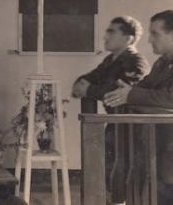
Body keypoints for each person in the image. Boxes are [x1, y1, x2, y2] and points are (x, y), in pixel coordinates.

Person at [72, 16, 150, 204]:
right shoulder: (110, 60)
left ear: (129, 38)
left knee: (124, 178)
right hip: (115, 125)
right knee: (109, 175)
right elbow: (87, 78)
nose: (105, 36)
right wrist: (83, 85)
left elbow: (120, 94)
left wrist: (89, 89)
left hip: (133, 129)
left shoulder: (136, 61)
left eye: (112, 32)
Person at [105, 10, 173, 204]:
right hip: (156, 149)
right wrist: (127, 92)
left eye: (155, 34)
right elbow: (145, 86)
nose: (150, 40)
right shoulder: (162, 63)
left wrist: (131, 94)